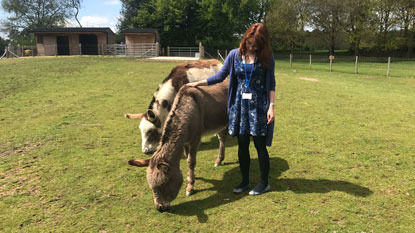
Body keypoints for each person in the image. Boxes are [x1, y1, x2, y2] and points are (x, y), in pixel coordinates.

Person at [186, 23, 275, 195]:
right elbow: (220, 76)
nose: (252, 47)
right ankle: (245, 181)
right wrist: (198, 83)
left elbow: (271, 83)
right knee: (242, 144)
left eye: (256, 44)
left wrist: (271, 106)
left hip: (258, 107)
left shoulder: (267, 57)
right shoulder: (235, 55)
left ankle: (264, 183)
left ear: (263, 43)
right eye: (249, 43)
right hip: (240, 106)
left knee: (259, 145)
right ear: (245, 39)